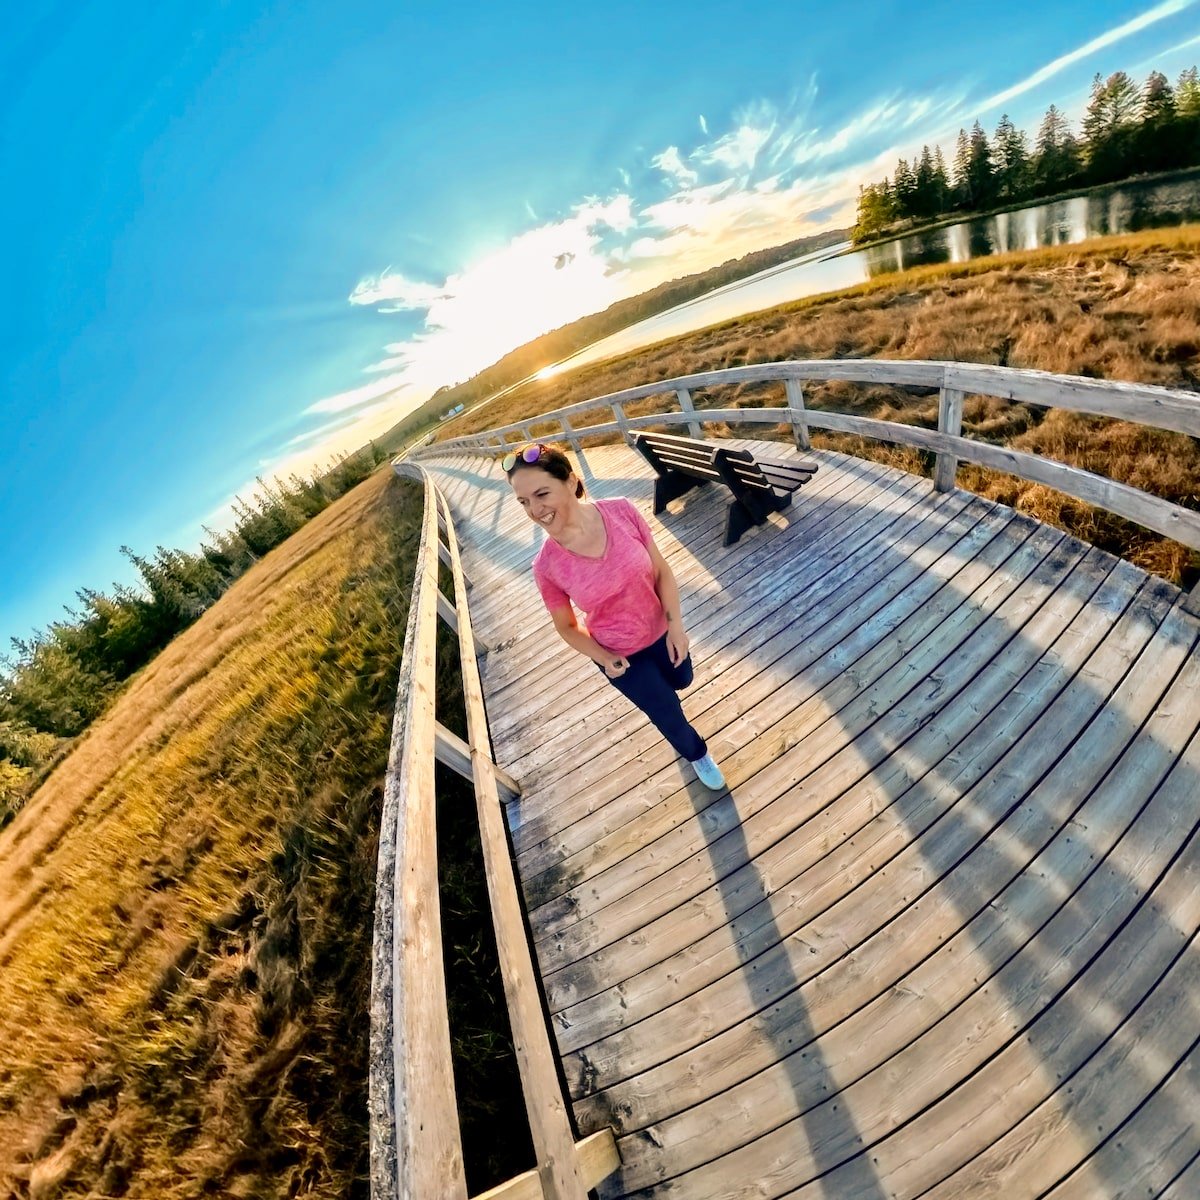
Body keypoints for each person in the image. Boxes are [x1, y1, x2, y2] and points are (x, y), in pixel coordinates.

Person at [504, 442, 726, 790]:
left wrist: (676, 627)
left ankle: (670, 692)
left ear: (570, 481)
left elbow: (662, 572)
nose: (534, 510)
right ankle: (697, 754)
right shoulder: (546, 566)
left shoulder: (622, 511)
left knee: (682, 679)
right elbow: (566, 626)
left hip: (661, 632)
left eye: (541, 494)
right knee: (666, 711)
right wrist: (605, 657)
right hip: (619, 654)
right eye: (523, 502)